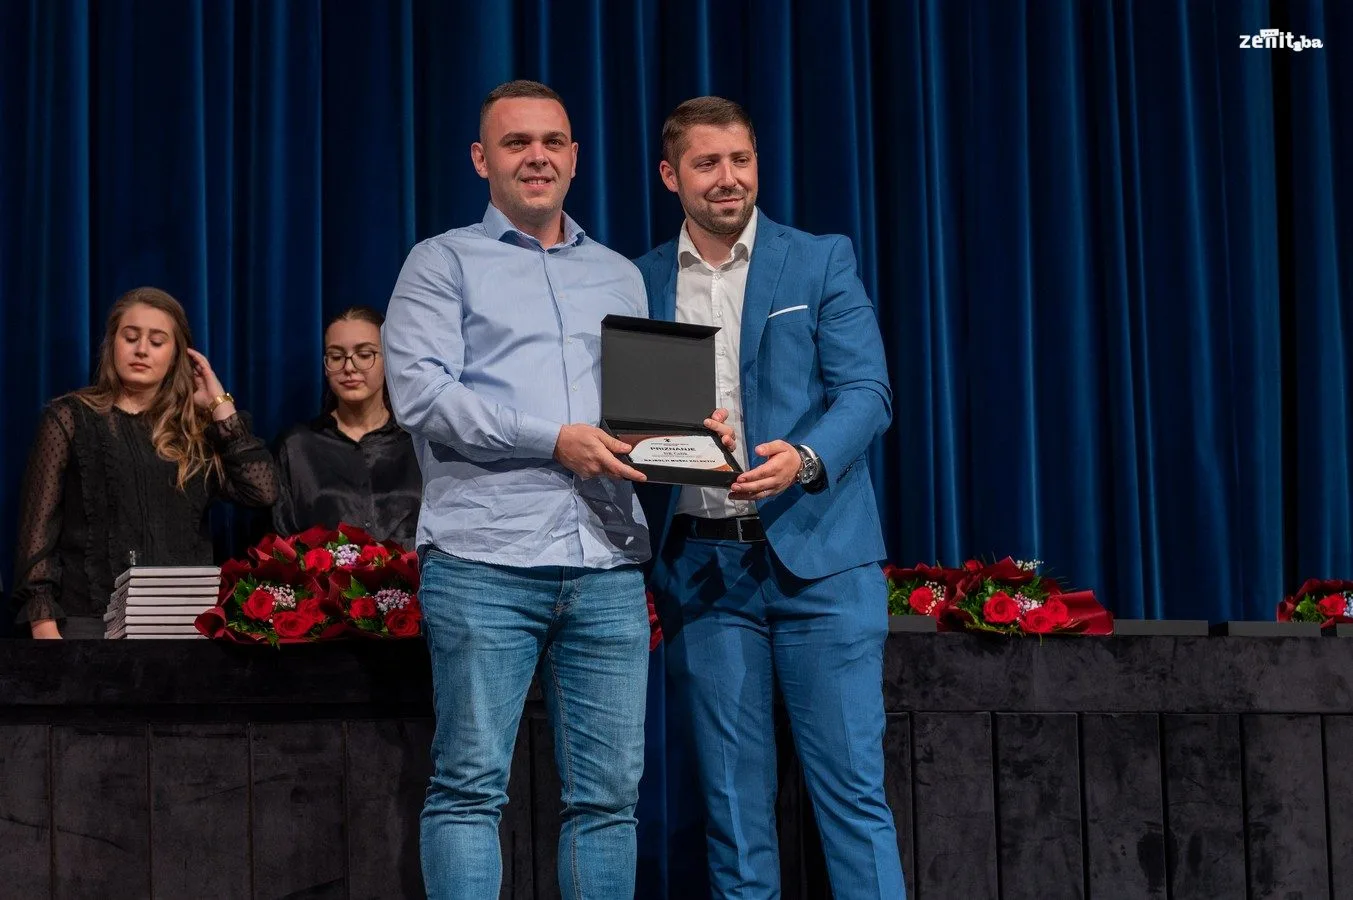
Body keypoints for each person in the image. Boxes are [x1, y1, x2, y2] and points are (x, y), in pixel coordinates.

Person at [383, 79, 730, 900]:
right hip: (483, 561)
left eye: (550, 142)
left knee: (608, 804)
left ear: (574, 157)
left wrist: (688, 436)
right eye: (516, 143)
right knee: (469, 790)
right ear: (482, 160)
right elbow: (422, 397)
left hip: (605, 566)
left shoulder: (617, 275)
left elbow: (632, 415)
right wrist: (553, 441)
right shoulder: (441, 262)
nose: (535, 157)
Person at [634, 97, 906, 898]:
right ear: (670, 175)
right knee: (730, 812)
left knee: (852, 798)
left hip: (823, 564)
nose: (728, 178)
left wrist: (805, 457)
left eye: (741, 160)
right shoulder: (638, 279)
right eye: (707, 163)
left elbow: (867, 393)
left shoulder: (819, 260)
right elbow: (632, 425)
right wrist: (666, 445)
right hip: (705, 575)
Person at [11, 286, 279, 639]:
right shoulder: (71, 418)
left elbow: (262, 491)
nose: (141, 350)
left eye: (157, 341)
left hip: (183, 626)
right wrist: (44, 625)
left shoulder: (195, 429)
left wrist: (220, 404)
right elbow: (37, 532)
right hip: (88, 623)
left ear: (177, 354)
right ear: (112, 344)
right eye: (131, 337)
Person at [272, 306, 421, 548]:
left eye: (364, 354)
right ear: (325, 365)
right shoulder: (297, 446)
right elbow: (281, 545)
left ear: (388, 360)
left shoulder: (417, 444)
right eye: (336, 356)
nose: (349, 368)